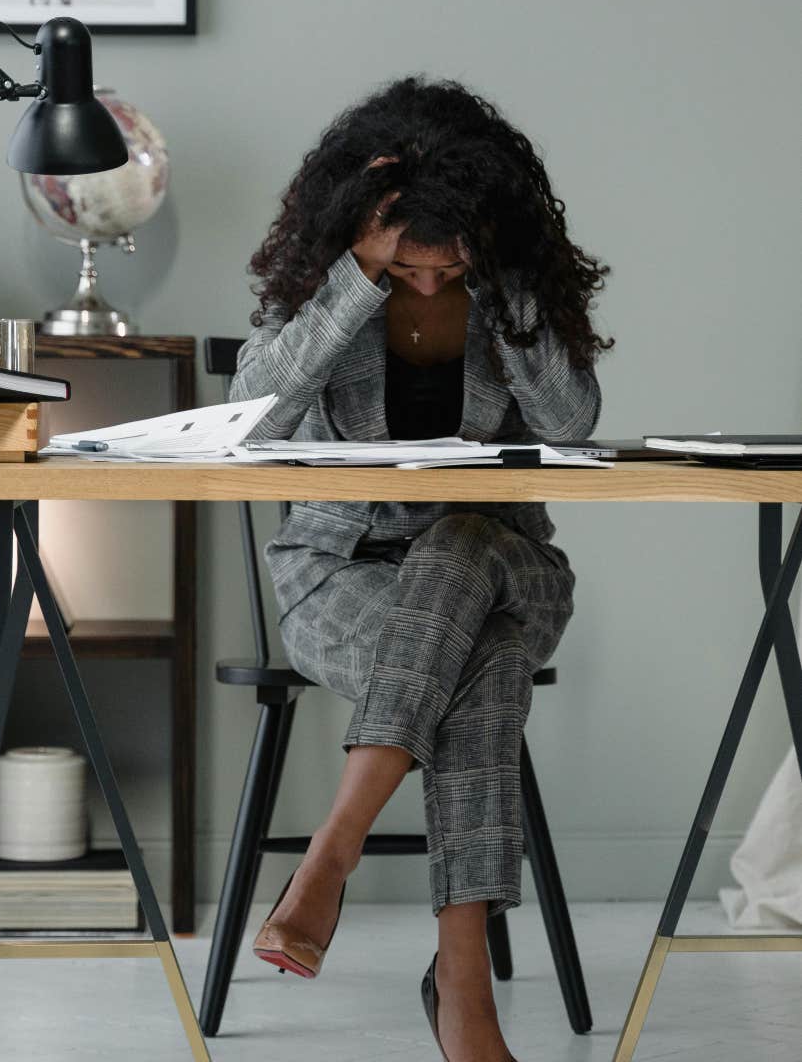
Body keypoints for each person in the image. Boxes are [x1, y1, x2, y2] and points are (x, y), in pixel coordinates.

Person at [230, 75, 613, 1061]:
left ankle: (332, 853)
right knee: (477, 676)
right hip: (341, 572)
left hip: (508, 563)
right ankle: (464, 998)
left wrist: (507, 284)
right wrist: (356, 277)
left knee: (465, 542)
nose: (430, 286)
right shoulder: (337, 278)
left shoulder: (501, 287)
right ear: (366, 236)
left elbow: (571, 424)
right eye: (411, 270)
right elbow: (254, 415)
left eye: (451, 270)